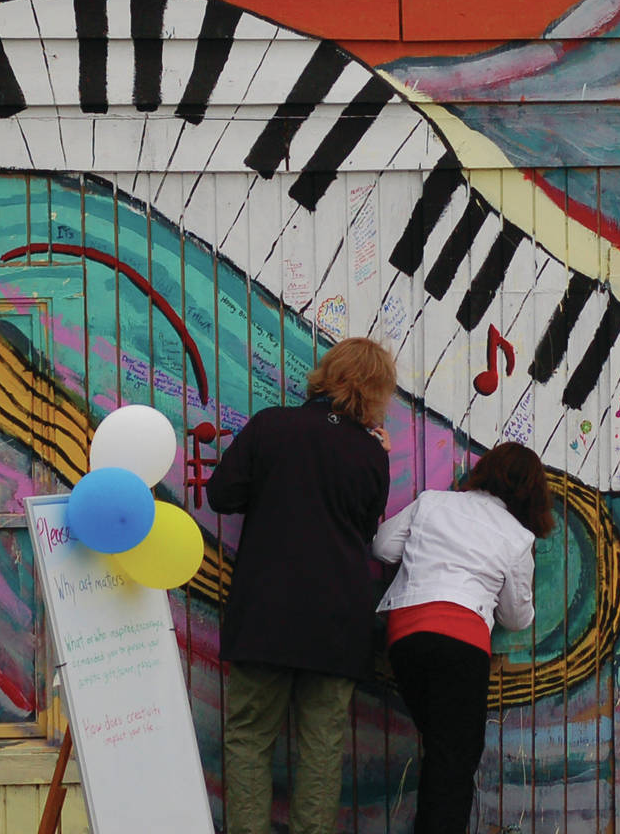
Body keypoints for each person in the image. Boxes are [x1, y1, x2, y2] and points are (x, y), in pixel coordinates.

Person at [206, 337, 395, 834]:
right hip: (338, 619)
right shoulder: (372, 455)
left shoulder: (273, 426)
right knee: (322, 747)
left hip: (267, 612)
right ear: (377, 391)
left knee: (249, 737)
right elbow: (368, 529)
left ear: (327, 373)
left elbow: (223, 495)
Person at [373, 443, 553, 834]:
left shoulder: (432, 502)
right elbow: (518, 618)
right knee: (454, 759)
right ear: (532, 491)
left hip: (406, 636)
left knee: (442, 751)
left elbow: (382, 546)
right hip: (461, 644)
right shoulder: (516, 537)